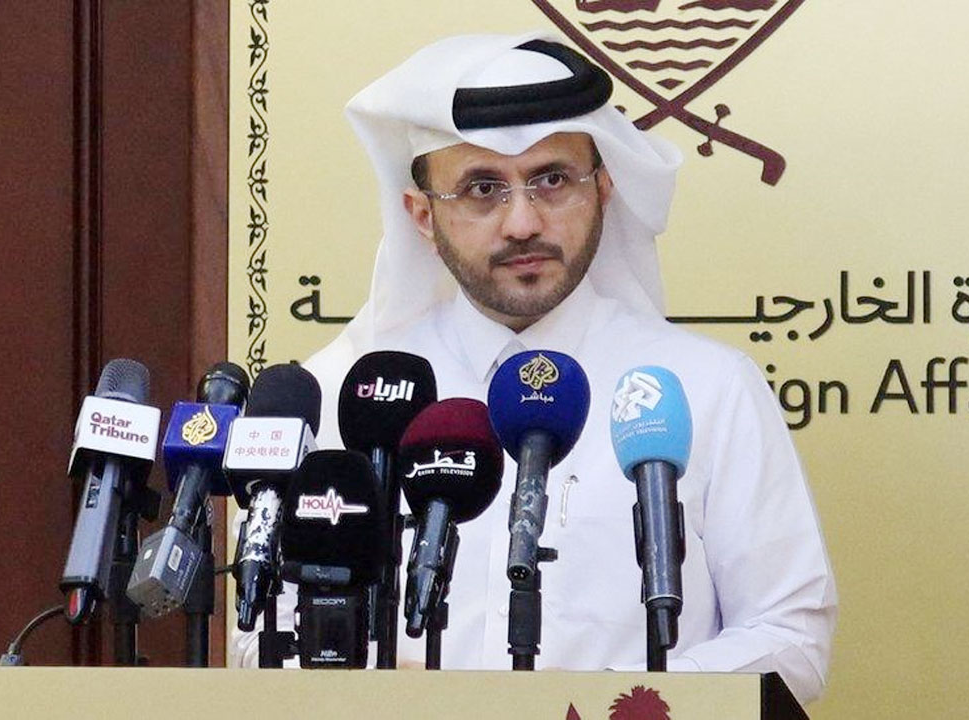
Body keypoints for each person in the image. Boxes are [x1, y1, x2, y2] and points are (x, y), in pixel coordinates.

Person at [232, 31, 836, 705]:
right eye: (482, 188)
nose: (522, 222)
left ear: (604, 188)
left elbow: (791, 638)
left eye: (552, 180)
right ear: (422, 215)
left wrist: (603, 707)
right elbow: (257, 636)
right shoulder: (345, 396)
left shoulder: (708, 388)